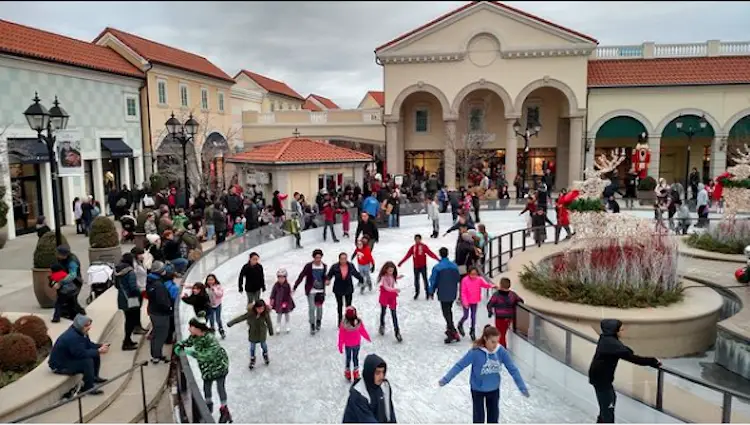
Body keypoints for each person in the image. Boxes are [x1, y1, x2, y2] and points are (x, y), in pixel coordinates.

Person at [439, 325, 529, 424]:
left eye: (497, 341)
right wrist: (446, 379)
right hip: (478, 390)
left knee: (493, 419)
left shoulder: (501, 351)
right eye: (492, 342)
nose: (495, 345)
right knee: (478, 419)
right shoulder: (475, 352)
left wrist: (522, 387)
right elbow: (460, 365)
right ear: (485, 339)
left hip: (494, 390)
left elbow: (513, 369)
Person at [588, 319, 660, 423]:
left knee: (608, 403)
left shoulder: (605, 338)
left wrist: (626, 350)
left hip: (600, 379)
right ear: (614, 331)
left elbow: (622, 349)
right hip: (601, 380)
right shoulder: (612, 345)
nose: (623, 331)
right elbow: (633, 358)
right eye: (621, 329)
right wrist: (653, 361)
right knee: (608, 407)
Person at [174, 313, 232, 423]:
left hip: (219, 366)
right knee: (207, 387)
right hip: (207, 369)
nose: (189, 329)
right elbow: (188, 342)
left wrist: (188, 352)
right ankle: (207, 407)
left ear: (197, 328)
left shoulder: (210, 338)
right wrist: (180, 344)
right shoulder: (195, 336)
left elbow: (208, 355)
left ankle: (224, 410)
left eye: (190, 327)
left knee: (220, 387)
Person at [48, 314, 109, 395]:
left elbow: (88, 345)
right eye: (86, 325)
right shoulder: (73, 337)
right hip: (60, 365)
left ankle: (94, 377)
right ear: (80, 326)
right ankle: (88, 388)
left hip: (70, 358)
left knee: (94, 353)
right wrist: (98, 351)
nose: (89, 327)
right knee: (87, 361)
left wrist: (100, 346)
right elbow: (80, 354)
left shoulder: (81, 332)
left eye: (89, 324)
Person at [342, 354, 397, 423]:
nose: (381, 376)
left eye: (383, 372)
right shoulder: (359, 395)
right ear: (369, 373)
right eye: (377, 373)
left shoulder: (384, 386)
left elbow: (389, 412)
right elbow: (368, 420)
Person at [227, 299, 274, 369]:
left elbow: (269, 323)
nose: (261, 310)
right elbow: (241, 318)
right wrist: (231, 323)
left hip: (262, 333)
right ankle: (252, 358)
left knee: (263, 345)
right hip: (253, 332)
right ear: (255, 308)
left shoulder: (265, 313)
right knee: (252, 347)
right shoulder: (251, 313)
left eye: (262, 309)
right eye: (259, 309)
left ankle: (265, 354)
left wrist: (271, 331)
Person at [428, 247, 462, 344]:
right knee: (449, 310)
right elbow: (458, 278)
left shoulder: (437, 267)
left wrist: (431, 291)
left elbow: (433, 280)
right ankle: (451, 329)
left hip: (443, 292)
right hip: (452, 291)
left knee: (446, 311)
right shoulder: (454, 266)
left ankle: (452, 331)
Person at [293, 249, 329, 334]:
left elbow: (324, 276)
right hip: (311, 290)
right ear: (313, 258)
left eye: (320, 257)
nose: (318, 259)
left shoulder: (324, 266)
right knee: (312, 308)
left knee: (319, 308)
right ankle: (312, 324)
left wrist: (327, 280)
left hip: (320, 291)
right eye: (316, 258)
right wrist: (295, 286)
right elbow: (301, 276)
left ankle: (318, 321)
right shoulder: (309, 266)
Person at [458, 267, 496, 341]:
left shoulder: (479, 279)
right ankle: (460, 324)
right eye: (472, 274)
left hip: (474, 300)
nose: (473, 276)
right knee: (466, 316)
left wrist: (492, 286)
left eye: (475, 274)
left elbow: (485, 285)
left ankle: (472, 330)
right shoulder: (465, 280)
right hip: (466, 301)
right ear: (469, 274)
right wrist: (465, 302)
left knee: (473, 316)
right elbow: (463, 292)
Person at [145, 261, 172, 364]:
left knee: (156, 334)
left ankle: (156, 354)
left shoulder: (151, 281)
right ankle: (156, 356)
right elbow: (162, 301)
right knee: (161, 335)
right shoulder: (159, 285)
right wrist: (169, 308)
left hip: (153, 311)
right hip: (160, 314)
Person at [397, 234, 439, 300]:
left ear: (420, 239)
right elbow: (407, 255)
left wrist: (437, 259)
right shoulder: (413, 247)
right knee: (416, 280)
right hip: (416, 266)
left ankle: (427, 292)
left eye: (418, 239)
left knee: (425, 279)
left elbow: (430, 253)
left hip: (423, 266)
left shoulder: (424, 246)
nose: (417, 240)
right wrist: (401, 262)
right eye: (416, 239)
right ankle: (417, 292)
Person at [327, 252, 364, 325]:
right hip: (338, 288)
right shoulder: (335, 266)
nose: (343, 260)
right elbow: (329, 275)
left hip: (348, 288)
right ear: (339, 259)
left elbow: (355, 273)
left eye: (345, 259)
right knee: (340, 305)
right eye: (342, 259)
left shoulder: (350, 265)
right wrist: (328, 280)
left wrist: (361, 279)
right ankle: (340, 321)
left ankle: (348, 320)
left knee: (348, 306)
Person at [486, 277, 524, 349]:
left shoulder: (496, 295)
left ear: (500, 285)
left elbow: (490, 304)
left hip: (500, 317)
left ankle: (502, 350)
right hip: (509, 317)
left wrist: (490, 312)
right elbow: (521, 300)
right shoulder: (512, 295)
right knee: (502, 334)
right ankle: (501, 349)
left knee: (500, 334)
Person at [337, 306, 372, 382]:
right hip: (356, 344)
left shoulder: (343, 324)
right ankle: (356, 373)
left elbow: (341, 336)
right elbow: (363, 331)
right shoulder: (358, 322)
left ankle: (347, 372)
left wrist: (340, 345)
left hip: (348, 345)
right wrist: (367, 337)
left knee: (348, 358)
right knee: (355, 358)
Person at [114, 253, 141, 351]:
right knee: (131, 320)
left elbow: (116, 285)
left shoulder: (117, 270)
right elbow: (133, 288)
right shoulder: (130, 272)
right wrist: (140, 293)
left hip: (122, 297)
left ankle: (128, 340)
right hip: (131, 299)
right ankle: (126, 342)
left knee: (128, 319)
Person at [52, 245, 84, 323]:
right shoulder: (61, 259)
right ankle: (79, 313)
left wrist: (60, 282)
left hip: (74, 283)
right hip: (65, 282)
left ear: (63, 254)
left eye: (58, 253)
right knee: (71, 301)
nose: (56, 255)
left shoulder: (72, 261)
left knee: (69, 300)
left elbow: (73, 275)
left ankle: (59, 317)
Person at [376, 261, 404, 342]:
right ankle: (382, 325)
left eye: (392, 271)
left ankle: (397, 331)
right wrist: (395, 289)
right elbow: (386, 287)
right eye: (390, 271)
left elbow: (393, 278)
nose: (391, 272)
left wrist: (399, 277)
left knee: (394, 314)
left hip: (392, 296)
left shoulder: (392, 275)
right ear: (386, 270)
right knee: (383, 311)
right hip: (385, 295)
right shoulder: (383, 277)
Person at [269, 268, 295, 334]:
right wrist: (271, 300)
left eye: (282, 277)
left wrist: (289, 300)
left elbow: (289, 294)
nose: (281, 279)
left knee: (287, 314)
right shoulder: (276, 285)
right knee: (279, 314)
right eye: (279, 277)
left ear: (285, 278)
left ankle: (287, 324)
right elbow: (273, 293)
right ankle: (278, 325)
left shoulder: (287, 285)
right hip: (278, 302)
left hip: (286, 301)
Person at [205, 274, 226, 339]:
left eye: (212, 280)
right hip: (210, 306)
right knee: (211, 320)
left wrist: (214, 289)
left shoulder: (218, 286)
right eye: (209, 280)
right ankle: (212, 331)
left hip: (217, 305)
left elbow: (220, 294)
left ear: (215, 280)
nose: (210, 281)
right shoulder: (206, 288)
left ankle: (221, 330)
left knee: (218, 319)